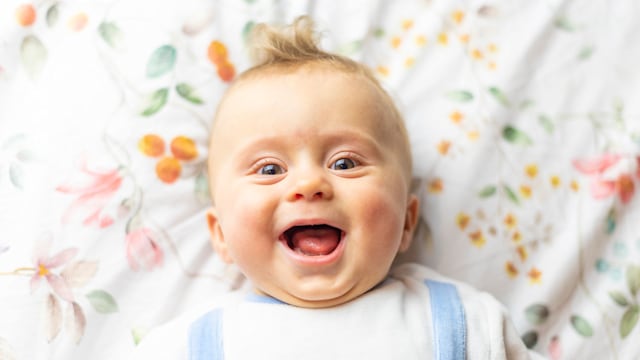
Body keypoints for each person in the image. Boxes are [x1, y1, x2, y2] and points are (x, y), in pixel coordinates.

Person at [130, 16, 543, 359]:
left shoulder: (464, 323)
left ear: (406, 221)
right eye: (270, 168)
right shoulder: (188, 344)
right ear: (221, 234)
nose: (309, 183)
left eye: (344, 163)